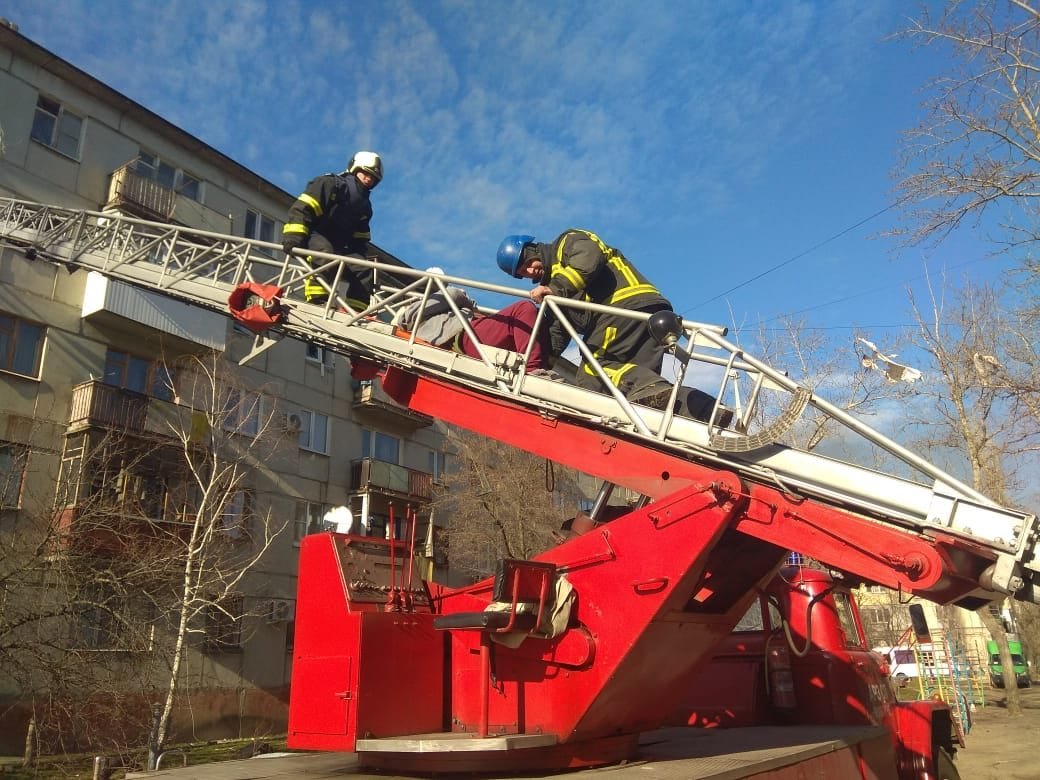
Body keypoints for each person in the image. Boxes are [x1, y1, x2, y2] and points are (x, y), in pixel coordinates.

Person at [495, 229, 726, 422]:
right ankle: (703, 410)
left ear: (532, 249)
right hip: (645, 313)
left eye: (526, 263)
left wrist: (555, 289)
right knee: (645, 395)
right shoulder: (553, 290)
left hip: (622, 306)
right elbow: (557, 331)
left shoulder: (565, 244)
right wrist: (534, 357)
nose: (529, 271)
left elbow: (589, 257)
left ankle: (689, 407)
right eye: (521, 273)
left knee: (591, 374)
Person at [281, 151, 383, 310]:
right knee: (324, 253)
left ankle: (356, 311)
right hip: (316, 235)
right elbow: (303, 209)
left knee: (363, 268)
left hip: (340, 247)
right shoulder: (330, 184)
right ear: (355, 169)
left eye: (373, 178)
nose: (369, 179)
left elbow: (360, 239)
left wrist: (358, 258)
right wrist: (294, 237)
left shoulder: (364, 206)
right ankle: (318, 299)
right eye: (365, 173)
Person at [397, 287, 558, 376]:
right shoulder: (415, 313)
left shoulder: (428, 319)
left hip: (470, 339)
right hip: (467, 335)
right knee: (524, 309)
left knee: (532, 321)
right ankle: (532, 369)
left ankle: (538, 366)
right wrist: (469, 305)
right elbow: (453, 293)